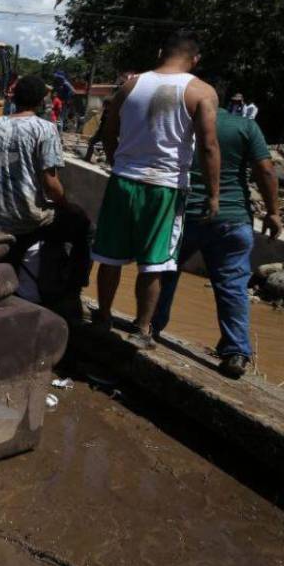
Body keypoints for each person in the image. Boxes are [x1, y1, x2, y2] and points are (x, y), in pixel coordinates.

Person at [92, 29, 221, 347]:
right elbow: (208, 146)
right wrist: (214, 194)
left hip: (123, 181)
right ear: (195, 59)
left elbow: (109, 129)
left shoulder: (131, 84)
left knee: (109, 256)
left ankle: (103, 316)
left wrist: (116, 162)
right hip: (165, 187)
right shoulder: (201, 91)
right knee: (155, 262)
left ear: (161, 52)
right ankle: (142, 329)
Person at [151, 103, 282, 377]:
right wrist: (273, 212)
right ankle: (236, 352)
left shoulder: (179, 124)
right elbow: (266, 170)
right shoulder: (245, 126)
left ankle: (151, 327)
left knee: (165, 272)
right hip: (233, 219)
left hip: (182, 213)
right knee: (232, 285)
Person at [0, 75, 92, 296]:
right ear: (40, 102)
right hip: (31, 220)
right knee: (84, 225)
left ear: (15, 98)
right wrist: (67, 206)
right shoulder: (45, 129)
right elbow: (51, 185)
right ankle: (73, 288)